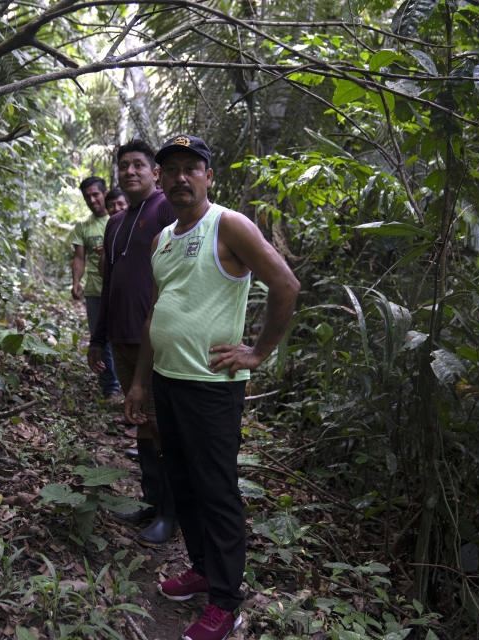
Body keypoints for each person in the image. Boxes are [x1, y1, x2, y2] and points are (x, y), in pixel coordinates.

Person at [124, 135, 299, 640]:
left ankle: (226, 601)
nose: (180, 177)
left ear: (208, 176)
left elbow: (285, 284)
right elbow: (159, 310)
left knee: (217, 491)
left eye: (191, 168)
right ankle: (201, 569)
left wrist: (258, 353)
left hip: (211, 387)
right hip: (167, 381)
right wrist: (138, 382)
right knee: (182, 481)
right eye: (171, 169)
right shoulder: (163, 238)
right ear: (160, 179)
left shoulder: (228, 224)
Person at [89, 140, 177, 546]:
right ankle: (151, 500)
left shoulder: (164, 208)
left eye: (139, 165)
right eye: (123, 166)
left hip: (156, 339)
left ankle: (170, 514)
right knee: (140, 421)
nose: (130, 172)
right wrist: (97, 338)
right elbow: (108, 285)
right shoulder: (116, 221)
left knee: (162, 425)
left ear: (154, 171)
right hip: (122, 339)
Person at [70, 176, 120, 401]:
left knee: (124, 338)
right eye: (87, 196)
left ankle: (128, 386)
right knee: (101, 340)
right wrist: (76, 282)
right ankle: (110, 388)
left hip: (121, 290)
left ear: (105, 193)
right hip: (95, 291)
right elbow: (79, 257)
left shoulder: (121, 217)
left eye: (95, 194)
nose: (92, 200)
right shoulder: (83, 226)